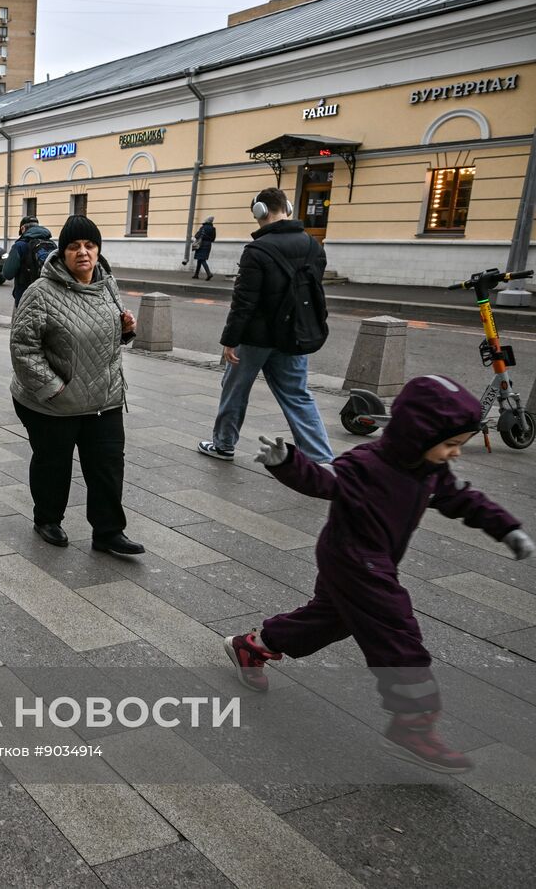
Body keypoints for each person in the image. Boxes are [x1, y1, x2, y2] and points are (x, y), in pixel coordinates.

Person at [231, 375, 534, 773]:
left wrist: (506, 528)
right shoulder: (367, 464)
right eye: (450, 444)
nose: (455, 453)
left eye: (460, 444)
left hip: (375, 559)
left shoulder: (431, 469)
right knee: (397, 632)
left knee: (332, 619)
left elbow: (464, 498)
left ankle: (255, 645)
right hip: (354, 559)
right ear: (418, 435)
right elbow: (324, 480)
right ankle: (414, 724)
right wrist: (287, 462)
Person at [9, 215, 144, 556]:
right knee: (53, 463)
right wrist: (54, 389)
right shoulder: (40, 292)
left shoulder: (106, 283)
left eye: (90, 245)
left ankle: (109, 532)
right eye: (74, 246)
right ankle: (47, 519)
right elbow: (23, 348)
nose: (83, 252)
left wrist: (125, 330)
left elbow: (105, 336)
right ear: (63, 252)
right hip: (53, 401)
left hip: (103, 396)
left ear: (98, 250)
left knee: (108, 465)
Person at [198, 188, 332, 464]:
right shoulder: (313, 245)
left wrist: (230, 340)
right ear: (288, 208)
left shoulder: (257, 250)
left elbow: (244, 302)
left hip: (255, 338)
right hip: (293, 335)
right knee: (298, 396)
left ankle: (223, 445)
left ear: (261, 211)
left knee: (235, 391)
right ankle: (321, 459)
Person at [3, 214, 55, 307]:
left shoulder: (19, 246)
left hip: (25, 297)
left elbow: (7, 273)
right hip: (48, 296)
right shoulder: (52, 244)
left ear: (23, 228)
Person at [186, 215, 216, 280]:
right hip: (208, 245)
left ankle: (209, 274)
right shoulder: (213, 229)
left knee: (202, 260)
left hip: (201, 244)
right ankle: (196, 274)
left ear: (206, 221)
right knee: (200, 259)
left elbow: (197, 236)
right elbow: (213, 239)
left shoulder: (203, 227)